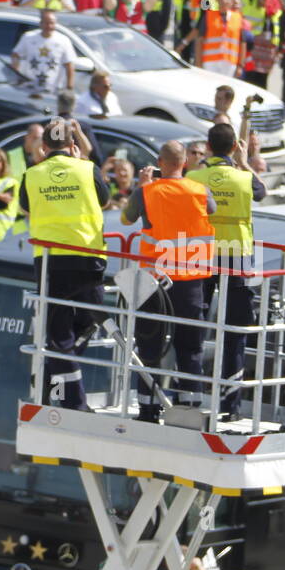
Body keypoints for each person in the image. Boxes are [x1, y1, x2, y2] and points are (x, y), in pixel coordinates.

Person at [121, 140, 215, 421]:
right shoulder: (200, 191)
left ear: (160, 163)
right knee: (190, 346)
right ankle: (190, 408)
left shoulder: (147, 192)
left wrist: (142, 185)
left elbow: (126, 220)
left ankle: (148, 408)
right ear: (185, 163)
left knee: (150, 344)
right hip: (191, 279)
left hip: (155, 281)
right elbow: (211, 210)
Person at [19, 119, 110, 410]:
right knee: (90, 321)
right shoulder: (87, 168)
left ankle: (59, 376)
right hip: (89, 259)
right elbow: (106, 200)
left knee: (59, 334)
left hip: (51, 263)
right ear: (72, 147)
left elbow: (25, 207)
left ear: (43, 148)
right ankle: (73, 400)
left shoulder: (32, 174)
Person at [186, 124, 266, 418]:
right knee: (234, 330)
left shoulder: (194, 176)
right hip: (239, 254)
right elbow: (262, 192)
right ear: (235, 147)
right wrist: (245, 163)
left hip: (201, 252)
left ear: (207, 146)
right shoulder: (245, 177)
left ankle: (190, 398)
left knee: (195, 323)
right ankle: (230, 406)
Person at [11, 9, 76, 95]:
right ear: (41, 23)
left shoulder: (63, 40)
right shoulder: (28, 37)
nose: (49, 26)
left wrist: (69, 87)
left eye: (52, 23)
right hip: (29, 88)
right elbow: (15, 55)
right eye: (46, 23)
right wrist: (16, 75)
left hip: (53, 90)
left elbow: (69, 65)